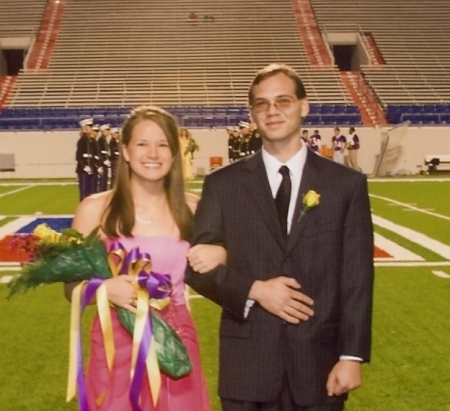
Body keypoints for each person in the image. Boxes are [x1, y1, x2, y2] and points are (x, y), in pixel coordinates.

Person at [186, 63, 374, 411]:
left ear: (304, 106)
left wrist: (351, 355)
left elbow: (357, 277)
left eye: (283, 101)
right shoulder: (222, 184)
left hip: (319, 366)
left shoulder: (345, 184)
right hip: (248, 367)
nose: (272, 111)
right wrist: (255, 290)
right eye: (262, 104)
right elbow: (198, 270)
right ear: (252, 114)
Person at [65, 106, 226, 411]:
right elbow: (70, 287)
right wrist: (102, 289)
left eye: (163, 144)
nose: (153, 153)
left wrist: (223, 251)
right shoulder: (94, 209)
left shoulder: (195, 209)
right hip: (116, 340)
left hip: (175, 340)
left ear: (175, 152)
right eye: (142, 144)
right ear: (125, 150)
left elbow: (237, 260)